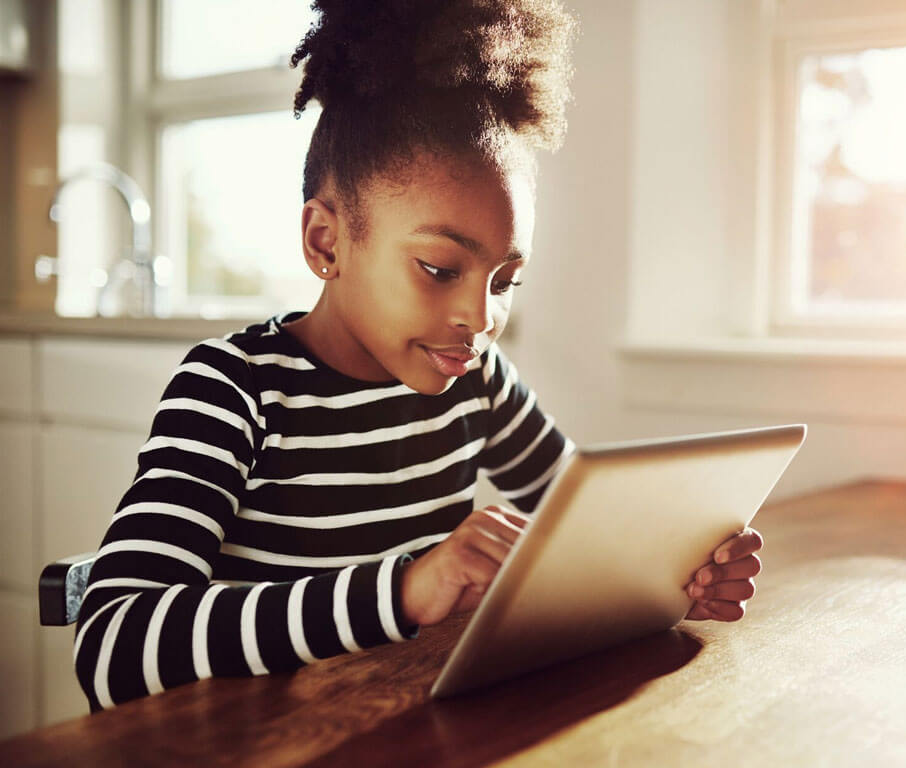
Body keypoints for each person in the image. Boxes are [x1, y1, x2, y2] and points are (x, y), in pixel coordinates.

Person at [74, 0, 763, 712]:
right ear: (326, 243)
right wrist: (403, 590)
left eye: (506, 281)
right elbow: (111, 649)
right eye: (440, 269)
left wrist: (669, 571)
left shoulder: (478, 383)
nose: (481, 316)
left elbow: (581, 535)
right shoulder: (236, 390)